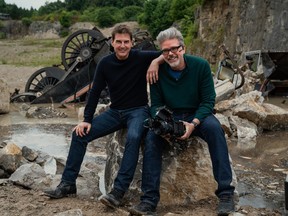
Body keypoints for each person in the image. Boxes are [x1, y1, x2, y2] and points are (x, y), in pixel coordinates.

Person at [44, 24, 163, 213]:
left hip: (138, 111)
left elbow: (167, 53)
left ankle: (118, 192)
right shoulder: (105, 63)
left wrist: (156, 62)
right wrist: (87, 120)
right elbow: (94, 92)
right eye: (119, 42)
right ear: (112, 43)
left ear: (132, 43)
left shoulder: (141, 57)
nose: (122, 45)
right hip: (115, 112)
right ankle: (67, 183)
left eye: (126, 42)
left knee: (133, 138)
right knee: (79, 135)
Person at [143, 27, 236, 216]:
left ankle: (226, 194)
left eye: (174, 49)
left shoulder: (200, 66)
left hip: (197, 114)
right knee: (152, 138)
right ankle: (148, 200)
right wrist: (165, 124)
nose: (170, 54)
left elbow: (208, 101)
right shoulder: (157, 72)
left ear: (183, 48)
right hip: (171, 115)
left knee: (215, 130)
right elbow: (156, 105)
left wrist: (193, 124)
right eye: (165, 51)